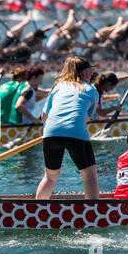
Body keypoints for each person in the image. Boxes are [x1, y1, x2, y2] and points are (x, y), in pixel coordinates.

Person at [36, 57, 100, 200]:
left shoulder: (57, 86)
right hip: (75, 133)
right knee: (90, 177)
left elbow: (44, 116)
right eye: (90, 71)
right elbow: (86, 119)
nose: (92, 74)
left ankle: (37, 212)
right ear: (83, 73)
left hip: (50, 133)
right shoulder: (91, 91)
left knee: (50, 177)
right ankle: (92, 214)